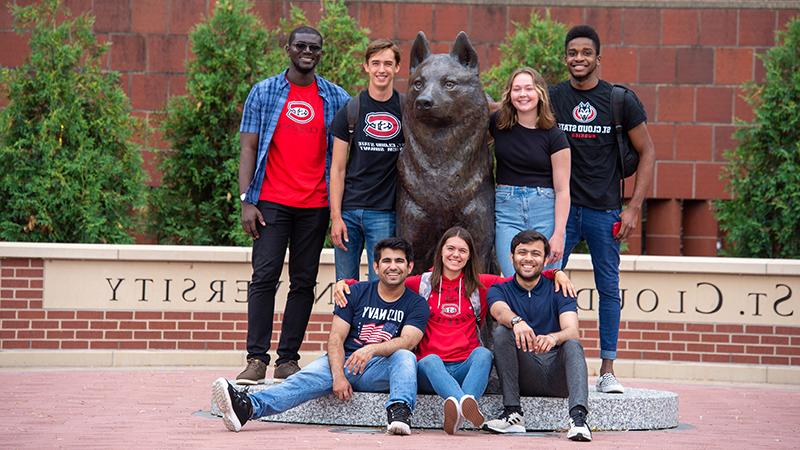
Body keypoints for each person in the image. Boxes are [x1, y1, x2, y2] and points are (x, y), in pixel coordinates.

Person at [334, 227, 576, 435]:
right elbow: (384, 282)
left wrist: (554, 272)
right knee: (428, 360)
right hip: (430, 372)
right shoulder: (422, 283)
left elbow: (523, 278)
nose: (455, 255)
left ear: (469, 256)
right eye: (450, 248)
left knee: (484, 355)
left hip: (465, 368)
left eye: (462, 250)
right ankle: (464, 405)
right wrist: (347, 284)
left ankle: (459, 407)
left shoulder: (480, 284)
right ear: (441, 251)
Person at [212, 238, 429, 435]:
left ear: (409, 267)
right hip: (345, 362)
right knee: (302, 380)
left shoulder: (417, 303)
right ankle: (247, 407)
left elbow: (408, 340)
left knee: (405, 357)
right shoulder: (355, 293)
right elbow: (335, 337)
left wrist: (371, 349)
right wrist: (338, 376)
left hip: (380, 368)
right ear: (375, 266)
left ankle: (399, 413)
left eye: (399, 261)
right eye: (387, 260)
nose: (393, 266)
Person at [236, 26, 351, 383]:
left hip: (315, 205)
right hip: (271, 203)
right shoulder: (264, 92)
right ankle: (256, 359)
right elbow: (248, 148)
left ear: (320, 53)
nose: (307, 52)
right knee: (264, 278)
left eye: (314, 48)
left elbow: (345, 158)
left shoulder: (336, 97)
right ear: (287, 48)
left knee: (304, 281)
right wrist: (246, 200)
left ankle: (287, 359)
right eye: (300, 45)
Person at [549, 25, 656, 394]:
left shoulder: (619, 100)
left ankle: (607, 368)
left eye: (585, 52)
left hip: (605, 210)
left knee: (608, 289)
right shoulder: (553, 97)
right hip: (561, 212)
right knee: (546, 282)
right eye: (572, 53)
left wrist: (633, 208)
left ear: (598, 58)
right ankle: (546, 363)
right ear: (565, 58)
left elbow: (648, 152)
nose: (579, 58)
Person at [483, 230, 591, 441]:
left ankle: (578, 419)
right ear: (511, 256)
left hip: (556, 374)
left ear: (545, 259)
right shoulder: (500, 289)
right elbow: (498, 311)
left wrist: (553, 338)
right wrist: (517, 321)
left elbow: (572, 329)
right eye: (522, 252)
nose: (528, 259)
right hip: (524, 372)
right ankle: (513, 413)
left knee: (572, 344)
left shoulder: (560, 289)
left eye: (535, 253)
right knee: (502, 331)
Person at [330, 39, 405, 282]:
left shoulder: (406, 110)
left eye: (387, 63)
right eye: (375, 63)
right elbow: (338, 169)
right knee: (345, 287)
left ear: (397, 68)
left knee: (382, 286)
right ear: (366, 67)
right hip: (349, 212)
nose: (381, 69)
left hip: (384, 213)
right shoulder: (351, 109)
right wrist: (336, 217)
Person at [490, 67, 571, 277]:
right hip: (507, 211)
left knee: (545, 282)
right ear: (509, 94)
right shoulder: (498, 124)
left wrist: (559, 235)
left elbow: (563, 190)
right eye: (517, 89)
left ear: (540, 93)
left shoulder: (555, 135)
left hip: (544, 209)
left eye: (528, 88)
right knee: (511, 279)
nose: (523, 94)